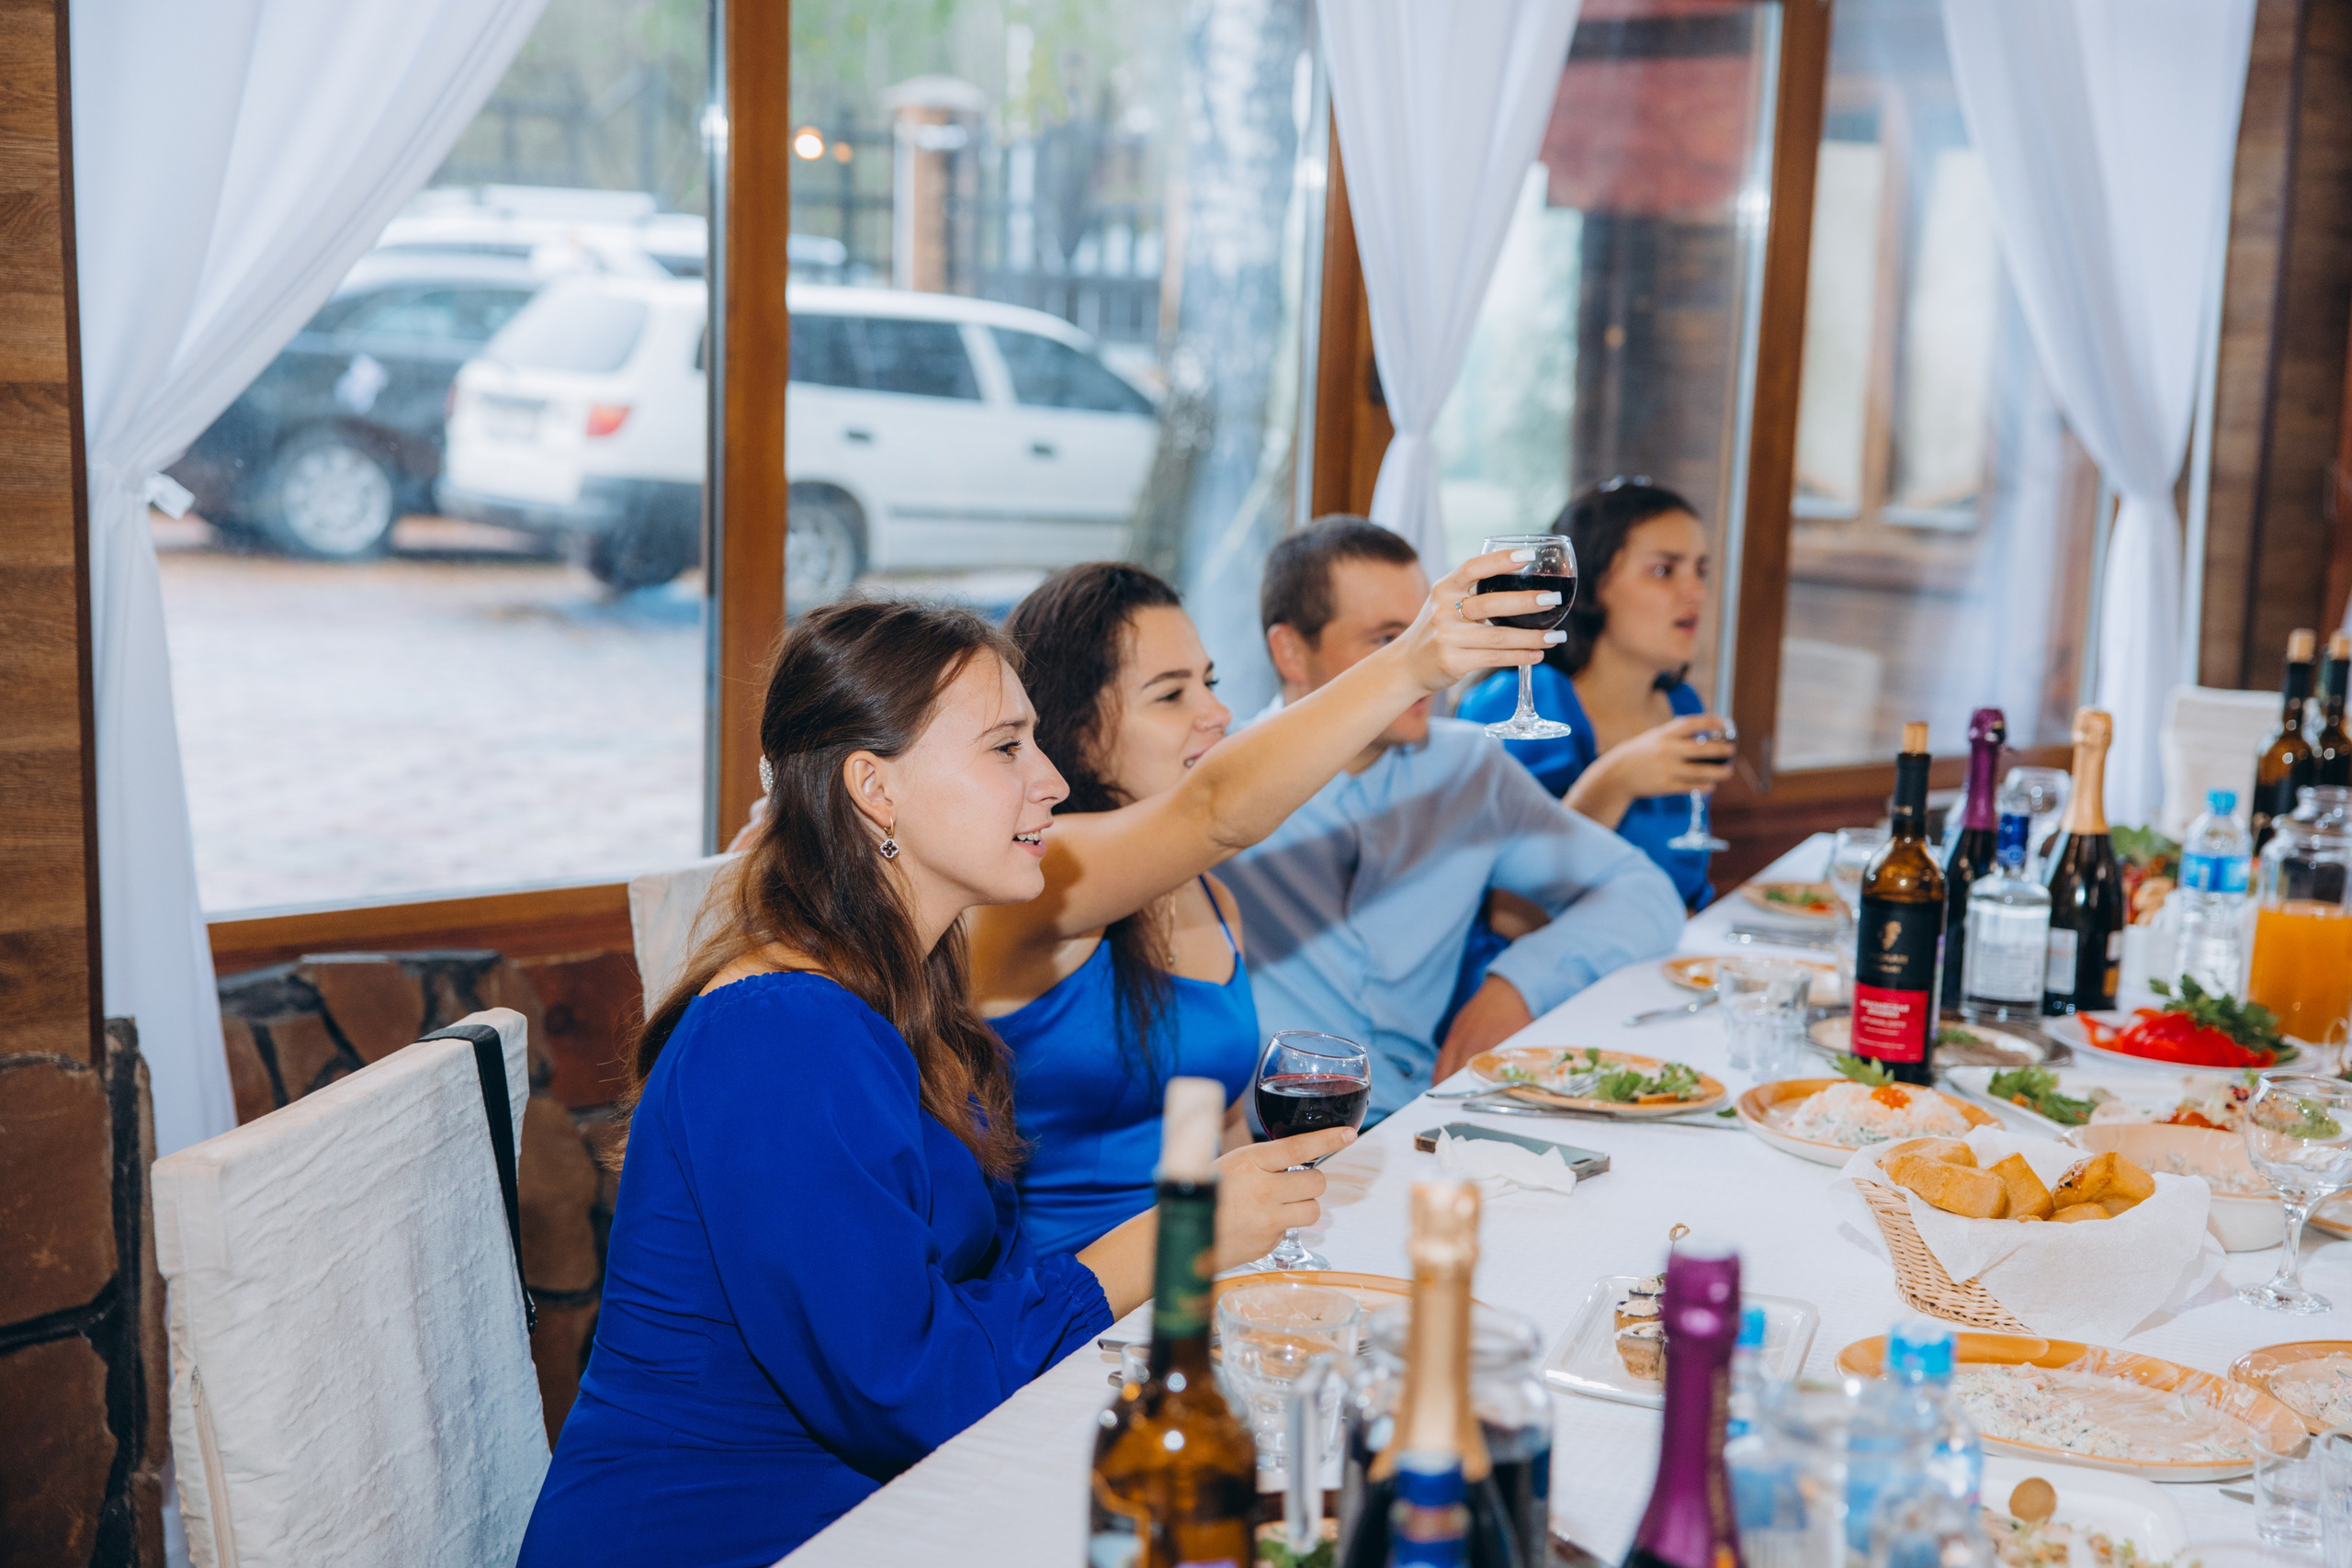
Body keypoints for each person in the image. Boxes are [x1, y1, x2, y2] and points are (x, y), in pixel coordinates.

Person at [518, 600, 1359, 1567]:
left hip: (885, 1506)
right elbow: (911, 1390)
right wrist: (1179, 1236)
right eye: (1005, 748)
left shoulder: (902, 998)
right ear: (874, 788)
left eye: (1036, 742)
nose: (1048, 783)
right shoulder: (780, 1034)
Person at [971, 552, 1569, 1255]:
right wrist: (1410, 662)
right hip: (1060, 1309)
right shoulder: (1042, 876)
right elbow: (1216, 809)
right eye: (1171, 695)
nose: (1217, 713)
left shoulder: (1210, 896)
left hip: (1194, 1278)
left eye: (1210, 683)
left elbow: (1220, 1139)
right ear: (1074, 727)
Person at [1219, 517, 1687, 1122]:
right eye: (1387, 638)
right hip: (1267, 1137)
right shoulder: (1219, 778)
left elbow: (1645, 894)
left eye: (1425, 630)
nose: (1427, 661)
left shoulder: (1468, 766)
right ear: (1289, 651)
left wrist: (1517, 983)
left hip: (1428, 1119)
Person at [1456, 479, 1736, 909]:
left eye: (1700, 570)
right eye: (1664, 570)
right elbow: (1509, 911)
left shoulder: (1682, 706)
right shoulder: (1515, 703)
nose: (1696, 592)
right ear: (1593, 582)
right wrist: (1615, 782)